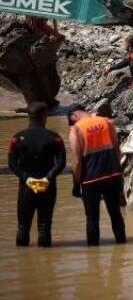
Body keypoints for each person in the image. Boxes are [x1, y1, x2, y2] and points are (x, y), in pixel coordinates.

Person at [68, 103, 126, 246]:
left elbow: (76, 162)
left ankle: (93, 259)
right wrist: (118, 173)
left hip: (90, 179)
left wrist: (76, 184)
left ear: (74, 116)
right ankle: (122, 248)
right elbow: (117, 151)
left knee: (92, 218)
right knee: (116, 214)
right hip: (112, 175)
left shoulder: (76, 130)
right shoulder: (106, 122)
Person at [8, 102, 66, 247]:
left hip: (26, 186)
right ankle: (46, 265)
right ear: (44, 117)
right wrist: (48, 177)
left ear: (29, 117)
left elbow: (12, 164)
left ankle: (23, 262)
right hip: (47, 186)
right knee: (44, 226)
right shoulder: (55, 138)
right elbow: (61, 162)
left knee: (23, 226)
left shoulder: (17, 138)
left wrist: (26, 178)